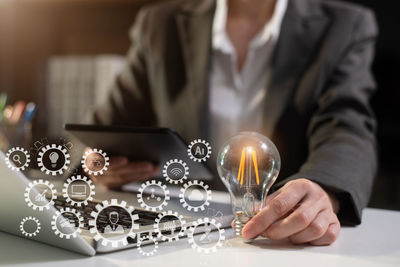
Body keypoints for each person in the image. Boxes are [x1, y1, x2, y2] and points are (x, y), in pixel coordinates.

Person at [91, 0, 378, 246]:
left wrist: (323, 187)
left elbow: (346, 126)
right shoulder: (159, 23)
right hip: (178, 234)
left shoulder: (344, 25)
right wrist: (99, 164)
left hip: (279, 240)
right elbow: (103, 131)